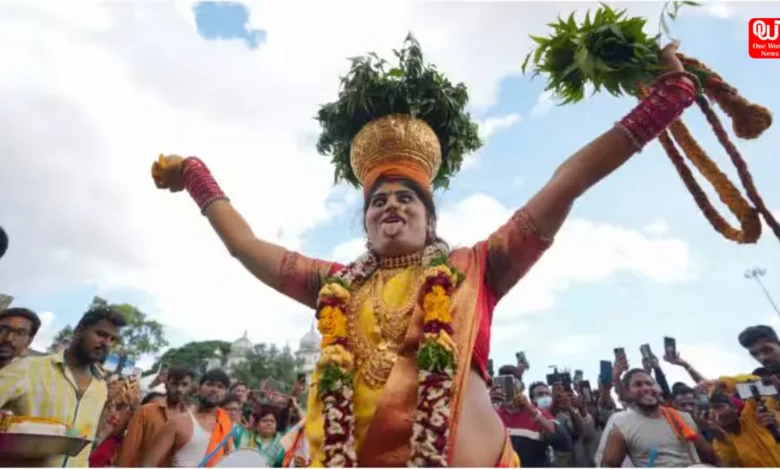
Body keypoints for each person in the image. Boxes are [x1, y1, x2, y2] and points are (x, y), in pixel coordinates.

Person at [151, 38, 697, 466]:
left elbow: (566, 183)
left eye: (406, 198)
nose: (391, 205)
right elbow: (245, 247)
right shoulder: (335, 284)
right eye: (378, 201)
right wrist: (197, 177)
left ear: (430, 218)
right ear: (367, 222)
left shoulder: (477, 266)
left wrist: (665, 102)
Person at [0, 306, 125, 467]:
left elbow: (89, 441)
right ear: (79, 330)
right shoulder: (27, 369)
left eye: (112, 340)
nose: (106, 343)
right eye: (101, 334)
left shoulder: (100, 387)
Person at [600, 369, 722, 467]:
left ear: (658, 388)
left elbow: (713, 459)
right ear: (628, 393)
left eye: (649, 383)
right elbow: (608, 465)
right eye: (638, 385)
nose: (646, 388)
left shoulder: (682, 417)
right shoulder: (622, 425)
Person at [141, 369, 233, 468]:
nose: (214, 390)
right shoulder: (178, 422)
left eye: (220, 387)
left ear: (226, 393)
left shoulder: (225, 423)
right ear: (199, 388)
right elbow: (148, 463)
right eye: (210, 384)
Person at [117, 365, 195, 467]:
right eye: (174, 384)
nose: (179, 389)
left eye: (184, 384)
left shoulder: (191, 418)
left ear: (191, 388)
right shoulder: (146, 411)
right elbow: (129, 449)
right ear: (166, 385)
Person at [495, 375, 571, 467]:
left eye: (514, 389)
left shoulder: (538, 413)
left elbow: (558, 436)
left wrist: (530, 410)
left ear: (521, 391)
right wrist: (486, 403)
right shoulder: (493, 413)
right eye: (505, 389)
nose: (509, 393)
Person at [699, 389, 780, 467]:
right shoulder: (720, 443)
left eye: (718, 407)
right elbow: (732, 463)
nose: (716, 414)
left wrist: (719, 385)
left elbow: (754, 388)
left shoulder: (753, 416)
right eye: (709, 413)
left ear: (734, 407)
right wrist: (718, 435)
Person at [89, 377, 142, 467]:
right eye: (111, 406)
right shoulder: (86, 429)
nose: (115, 415)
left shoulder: (122, 449)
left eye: (124, 411)